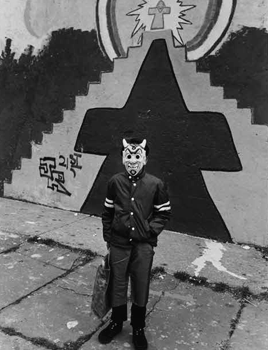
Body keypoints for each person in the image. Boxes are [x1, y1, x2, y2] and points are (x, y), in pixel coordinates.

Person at [98, 137, 171, 350]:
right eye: (128, 156)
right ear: (123, 158)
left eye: (137, 156)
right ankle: (117, 322)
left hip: (143, 245)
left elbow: (163, 214)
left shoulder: (156, 185)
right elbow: (107, 212)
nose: (132, 160)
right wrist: (108, 237)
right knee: (117, 283)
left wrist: (149, 232)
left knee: (141, 285)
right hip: (119, 243)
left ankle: (138, 327)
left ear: (145, 159)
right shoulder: (115, 182)